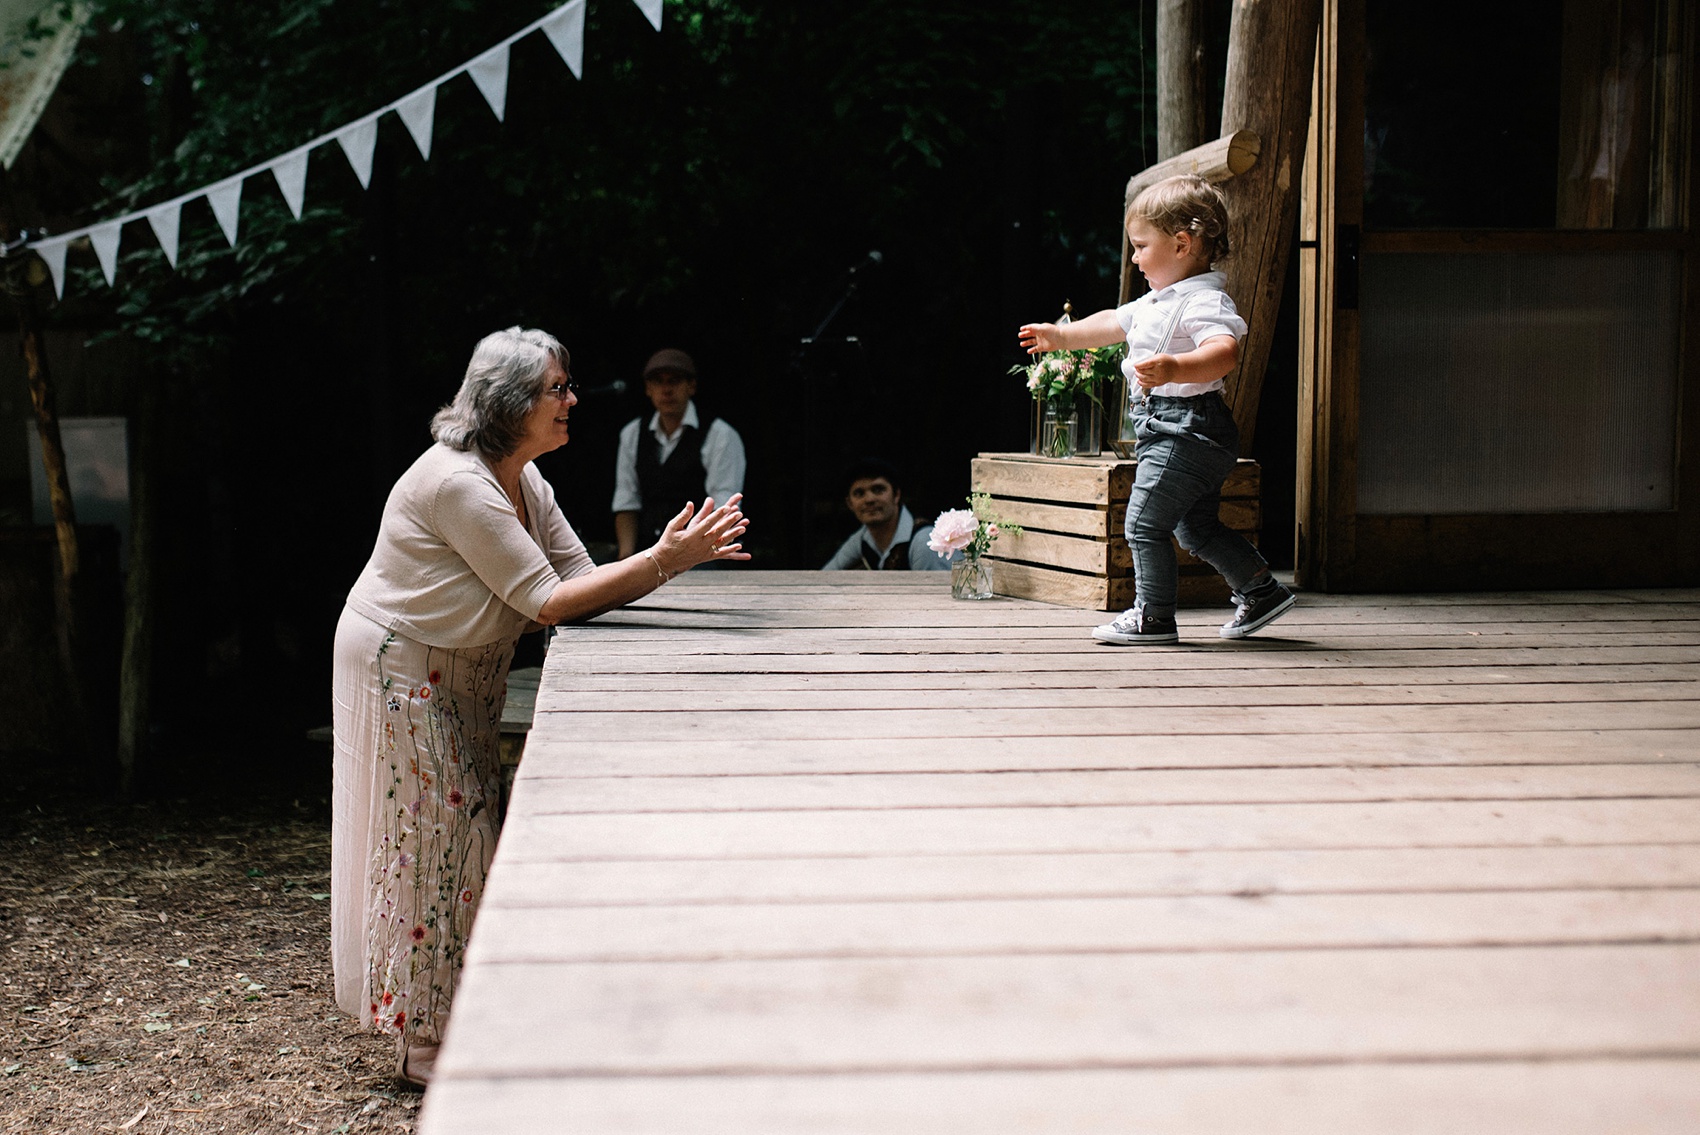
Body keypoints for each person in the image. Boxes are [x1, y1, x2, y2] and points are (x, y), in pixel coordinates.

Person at [331, 328, 748, 1086]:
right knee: (438, 841)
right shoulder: (460, 483)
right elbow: (551, 601)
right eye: (557, 388)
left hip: (461, 666)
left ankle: (470, 1011)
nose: (572, 400)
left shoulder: (523, 476)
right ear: (508, 403)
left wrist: (666, 561)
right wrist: (664, 558)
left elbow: (584, 575)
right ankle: (427, 1043)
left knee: (469, 834)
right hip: (405, 665)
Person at [1018, 174, 1296, 644]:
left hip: (1187, 430)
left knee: (1144, 523)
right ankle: (1261, 590)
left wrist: (1175, 368)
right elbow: (1112, 322)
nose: (1134, 258)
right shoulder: (1156, 301)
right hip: (1173, 431)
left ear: (1183, 244)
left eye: (1142, 246)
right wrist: (1061, 336)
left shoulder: (1204, 300)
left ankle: (1153, 617)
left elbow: (1224, 352)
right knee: (1197, 529)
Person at [612, 348, 746, 560]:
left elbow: (723, 508)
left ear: (691, 386)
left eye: (674, 381)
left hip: (702, 553)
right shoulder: (632, 433)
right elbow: (626, 501)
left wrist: (693, 555)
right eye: (658, 381)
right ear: (648, 388)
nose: (666, 390)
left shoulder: (720, 434)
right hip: (648, 551)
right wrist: (625, 557)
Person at [822, 458, 953, 571]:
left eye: (878, 490)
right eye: (859, 493)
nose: (869, 499)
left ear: (896, 495)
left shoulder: (926, 542)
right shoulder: (863, 538)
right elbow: (824, 578)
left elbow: (937, 598)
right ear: (850, 504)